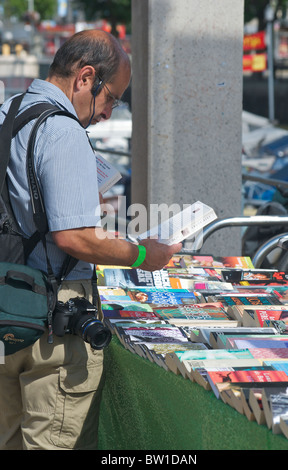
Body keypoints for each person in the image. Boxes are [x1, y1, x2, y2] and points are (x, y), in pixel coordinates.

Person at [0, 29, 181, 450]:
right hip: (53, 322)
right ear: (85, 78)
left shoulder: (8, 112)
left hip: (10, 308)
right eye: (112, 97)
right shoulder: (62, 132)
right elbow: (75, 237)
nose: (109, 114)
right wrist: (142, 254)